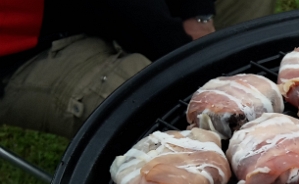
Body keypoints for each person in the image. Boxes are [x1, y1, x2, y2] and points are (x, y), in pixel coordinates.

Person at [0, 0, 274, 138]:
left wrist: (197, 13)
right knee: (149, 100)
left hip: (91, 11)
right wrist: (187, 54)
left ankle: (261, 113)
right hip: (21, 47)